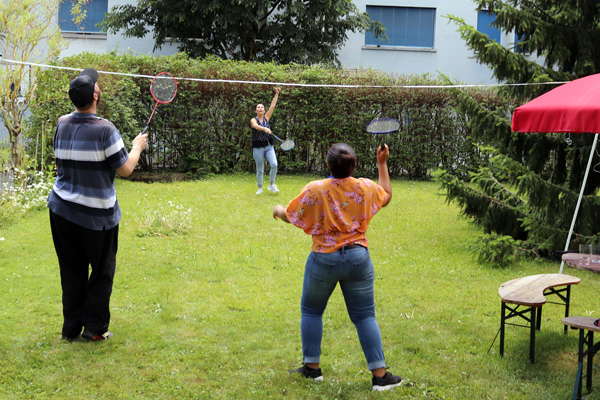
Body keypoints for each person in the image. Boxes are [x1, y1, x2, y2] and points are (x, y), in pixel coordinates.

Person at [273, 143, 403, 392]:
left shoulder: (316, 189)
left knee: (311, 311)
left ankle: (312, 370)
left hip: (323, 259)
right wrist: (382, 163)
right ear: (353, 166)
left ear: (328, 165)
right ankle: (380, 377)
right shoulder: (364, 187)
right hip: (358, 259)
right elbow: (385, 196)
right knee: (365, 316)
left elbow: (293, 215)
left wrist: (279, 210)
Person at [47, 68, 148, 341]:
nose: (99, 87)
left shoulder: (61, 123)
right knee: (102, 272)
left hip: (61, 211)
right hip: (96, 217)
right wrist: (137, 146)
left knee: (71, 270)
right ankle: (94, 329)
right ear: (95, 95)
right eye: (97, 85)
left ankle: (70, 330)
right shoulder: (105, 129)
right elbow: (126, 169)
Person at [251, 87, 281, 194]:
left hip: (269, 147)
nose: (260, 108)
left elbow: (273, 105)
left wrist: (276, 94)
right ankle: (260, 187)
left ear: (264, 110)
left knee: (274, 165)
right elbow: (256, 127)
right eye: (258, 107)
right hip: (258, 148)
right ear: (256, 110)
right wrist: (265, 129)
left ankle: (271, 185)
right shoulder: (253, 120)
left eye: (262, 107)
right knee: (260, 169)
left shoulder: (267, 117)